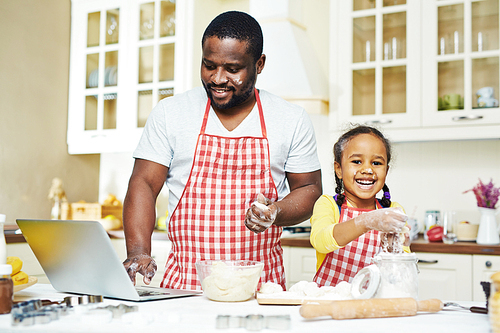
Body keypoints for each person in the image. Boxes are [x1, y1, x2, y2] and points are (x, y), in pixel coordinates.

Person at [122, 11, 322, 291]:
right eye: (209, 65)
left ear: (259, 64)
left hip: (260, 290)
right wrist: (138, 250)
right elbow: (143, 182)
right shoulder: (171, 113)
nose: (217, 78)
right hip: (184, 288)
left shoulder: (290, 118)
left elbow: (310, 189)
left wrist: (276, 211)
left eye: (232, 68)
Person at [310, 125, 409, 287]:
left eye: (376, 163)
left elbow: (401, 271)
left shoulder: (392, 210)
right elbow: (321, 241)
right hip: (331, 300)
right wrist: (366, 221)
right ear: (339, 169)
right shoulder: (329, 204)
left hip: (375, 301)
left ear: (386, 170)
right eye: (356, 161)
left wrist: (399, 248)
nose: (368, 169)